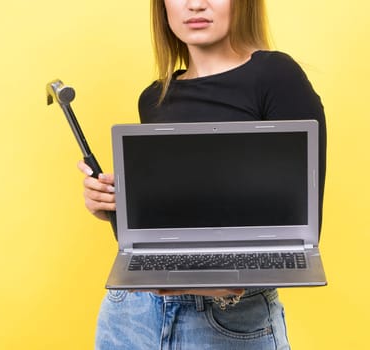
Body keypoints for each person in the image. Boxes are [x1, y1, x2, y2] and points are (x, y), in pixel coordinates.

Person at [78, 0, 326, 349]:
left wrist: (218, 284)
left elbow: (300, 229)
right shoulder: (153, 98)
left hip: (230, 321)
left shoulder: (277, 76)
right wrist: (110, 202)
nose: (195, 4)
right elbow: (163, 231)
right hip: (132, 316)